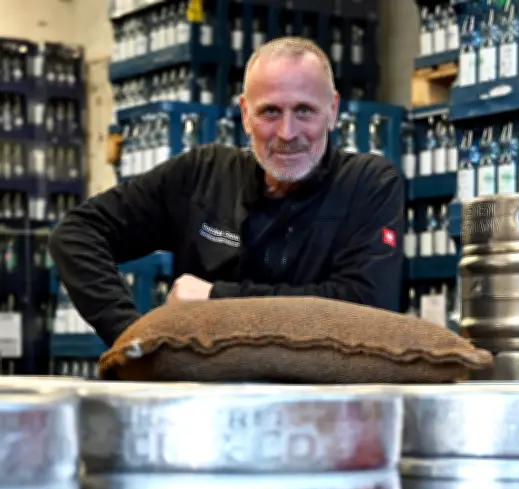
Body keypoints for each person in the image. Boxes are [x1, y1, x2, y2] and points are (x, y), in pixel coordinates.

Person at [49, 36, 405, 347]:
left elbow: (365, 308)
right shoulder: (201, 176)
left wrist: (216, 299)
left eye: (304, 110)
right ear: (245, 114)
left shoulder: (369, 184)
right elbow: (78, 234)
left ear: (333, 110)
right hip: (208, 396)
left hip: (321, 398)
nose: (287, 132)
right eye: (270, 112)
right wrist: (131, 336)